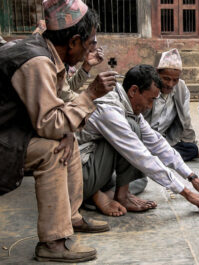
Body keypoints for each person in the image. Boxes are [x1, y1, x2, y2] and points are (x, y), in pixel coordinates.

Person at [0, 0, 118, 262]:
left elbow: (60, 105)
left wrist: (67, 128)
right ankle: (52, 242)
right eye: (88, 44)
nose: (88, 50)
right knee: (54, 150)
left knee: (67, 139)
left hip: (13, 132)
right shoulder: (37, 61)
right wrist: (91, 94)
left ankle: (69, 218)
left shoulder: (48, 54)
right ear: (74, 41)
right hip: (6, 139)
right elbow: (50, 123)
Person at [77, 64, 199, 217]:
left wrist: (192, 177)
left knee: (139, 181)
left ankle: (108, 194)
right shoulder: (110, 110)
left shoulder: (127, 104)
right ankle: (97, 195)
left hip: (97, 168)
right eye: (150, 99)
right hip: (78, 176)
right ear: (133, 91)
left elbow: (156, 142)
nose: (149, 106)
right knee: (133, 135)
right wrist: (187, 193)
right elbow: (140, 155)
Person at [144, 48, 199, 161]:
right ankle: (156, 157)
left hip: (164, 141)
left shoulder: (181, 88)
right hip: (143, 138)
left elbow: (185, 118)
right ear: (157, 73)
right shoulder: (148, 86)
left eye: (175, 80)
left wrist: (191, 144)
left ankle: (153, 158)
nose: (170, 84)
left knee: (191, 149)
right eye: (166, 78)